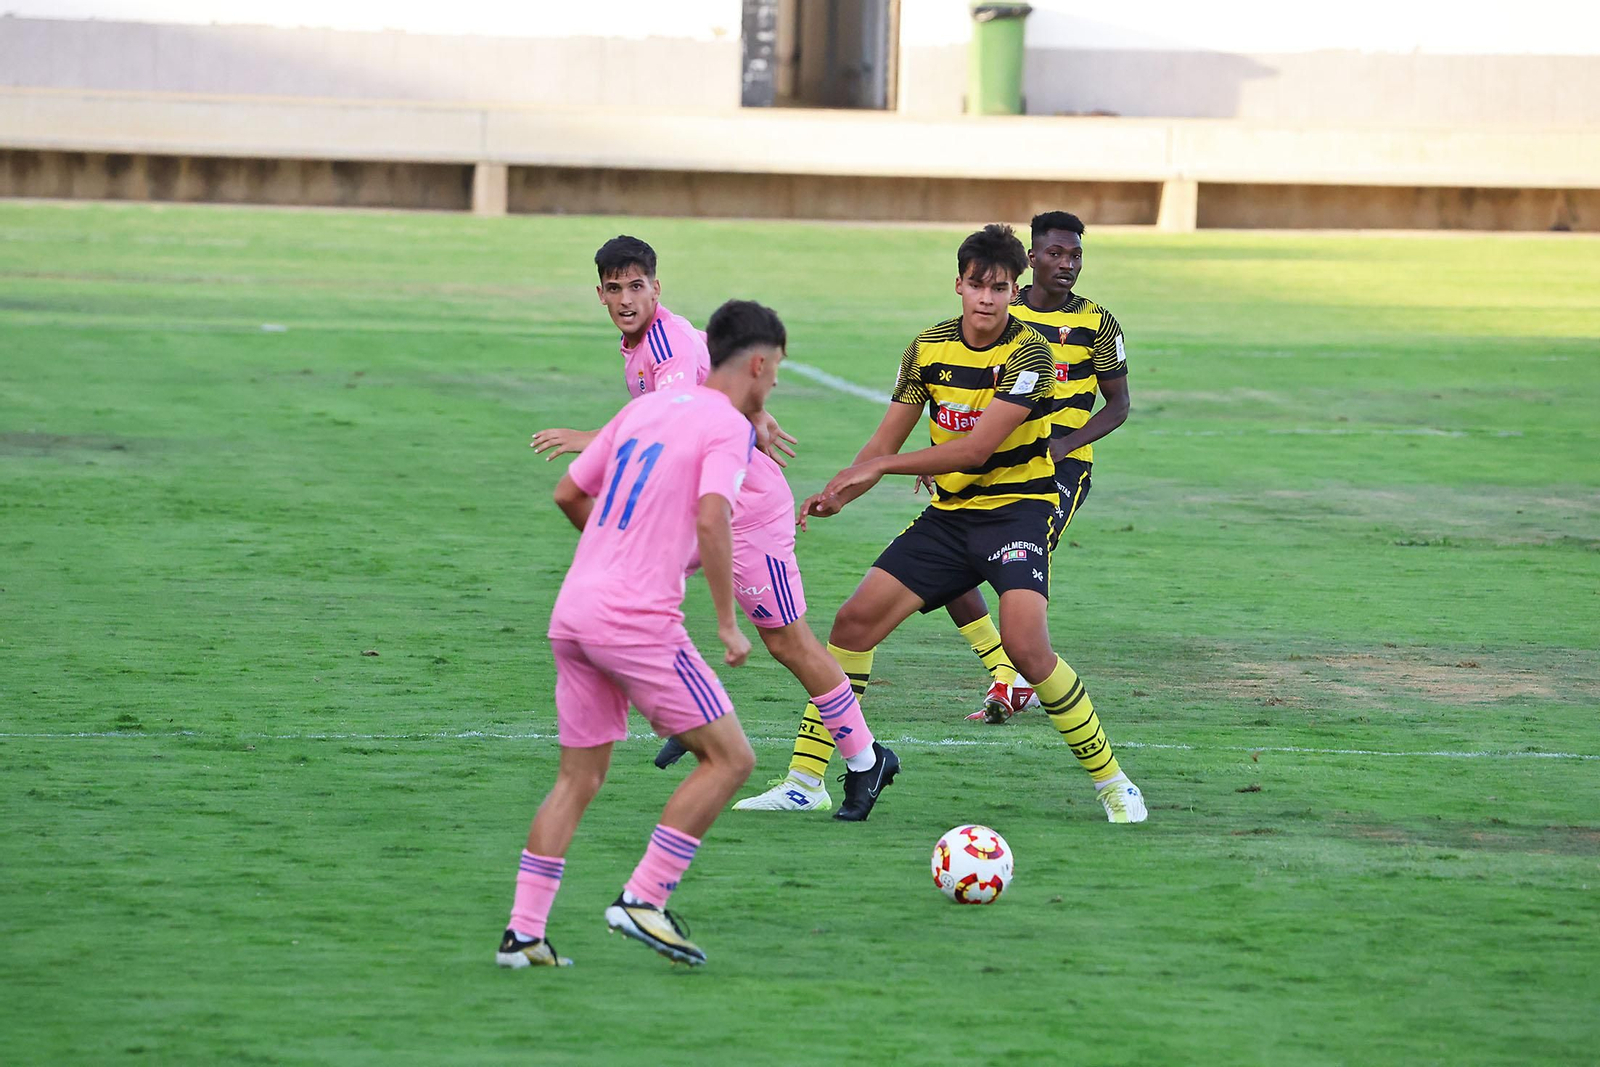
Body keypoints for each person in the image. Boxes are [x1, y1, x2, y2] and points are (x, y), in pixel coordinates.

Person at [496, 300, 885, 971]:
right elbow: (713, 518)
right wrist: (727, 623)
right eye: (778, 373)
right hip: (636, 619)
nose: (774, 388)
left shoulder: (644, 408)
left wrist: (620, 545)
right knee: (731, 758)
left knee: (577, 779)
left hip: (574, 611)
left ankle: (523, 934)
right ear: (759, 364)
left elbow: (567, 493)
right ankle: (644, 897)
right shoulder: (727, 428)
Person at [793, 223, 1148, 825]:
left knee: (1027, 647)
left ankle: (1115, 784)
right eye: (977, 285)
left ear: (1015, 290)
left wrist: (880, 467)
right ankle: (807, 780)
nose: (987, 298)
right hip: (951, 517)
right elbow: (887, 436)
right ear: (958, 284)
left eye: (1000, 288)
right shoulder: (927, 347)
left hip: (1016, 511)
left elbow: (975, 450)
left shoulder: (1032, 355)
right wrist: (840, 492)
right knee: (852, 625)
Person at [533, 237, 893, 816]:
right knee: (636, 591)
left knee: (788, 641)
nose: (626, 299)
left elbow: (677, 415)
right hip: (700, 500)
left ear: (656, 287)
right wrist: (754, 410)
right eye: (614, 288)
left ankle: (866, 759)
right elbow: (717, 364)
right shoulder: (657, 337)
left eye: (636, 286)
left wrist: (593, 441)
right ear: (600, 293)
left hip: (745, 511)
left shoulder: (667, 343)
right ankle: (690, 706)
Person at [942, 210, 1134, 722]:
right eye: (1055, 253)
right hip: (993, 457)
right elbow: (970, 383)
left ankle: (1012, 682)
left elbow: (1118, 405)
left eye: (1075, 255)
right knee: (948, 571)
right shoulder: (1003, 310)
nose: (1066, 263)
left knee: (1016, 574)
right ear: (1031, 259)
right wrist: (944, 451)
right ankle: (1002, 667)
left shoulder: (1096, 322)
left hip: (1058, 471)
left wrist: (1067, 446)